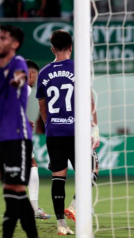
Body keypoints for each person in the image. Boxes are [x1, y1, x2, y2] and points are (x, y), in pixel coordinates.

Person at [36, 30, 100, 235]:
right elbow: (89, 101)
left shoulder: (44, 72)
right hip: (76, 132)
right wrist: (95, 129)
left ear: (52, 49)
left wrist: (50, 126)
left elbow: (42, 108)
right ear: (71, 47)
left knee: (58, 177)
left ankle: (61, 224)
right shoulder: (79, 69)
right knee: (92, 169)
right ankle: (74, 205)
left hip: (54, 131)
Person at [0, 24, 38, 238]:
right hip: (2, 137)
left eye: (3, 38)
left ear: (14, 43)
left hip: (17, 136)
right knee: (14, 192)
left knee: (12, 191)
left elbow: (17, 82)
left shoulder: (18, 64)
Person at [25, 59, 51, 220]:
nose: (35, 81)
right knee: (32, 164)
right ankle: (34, 208)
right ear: (30, 73)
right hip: (13, 132)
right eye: (35, 76)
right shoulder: (25, 88)